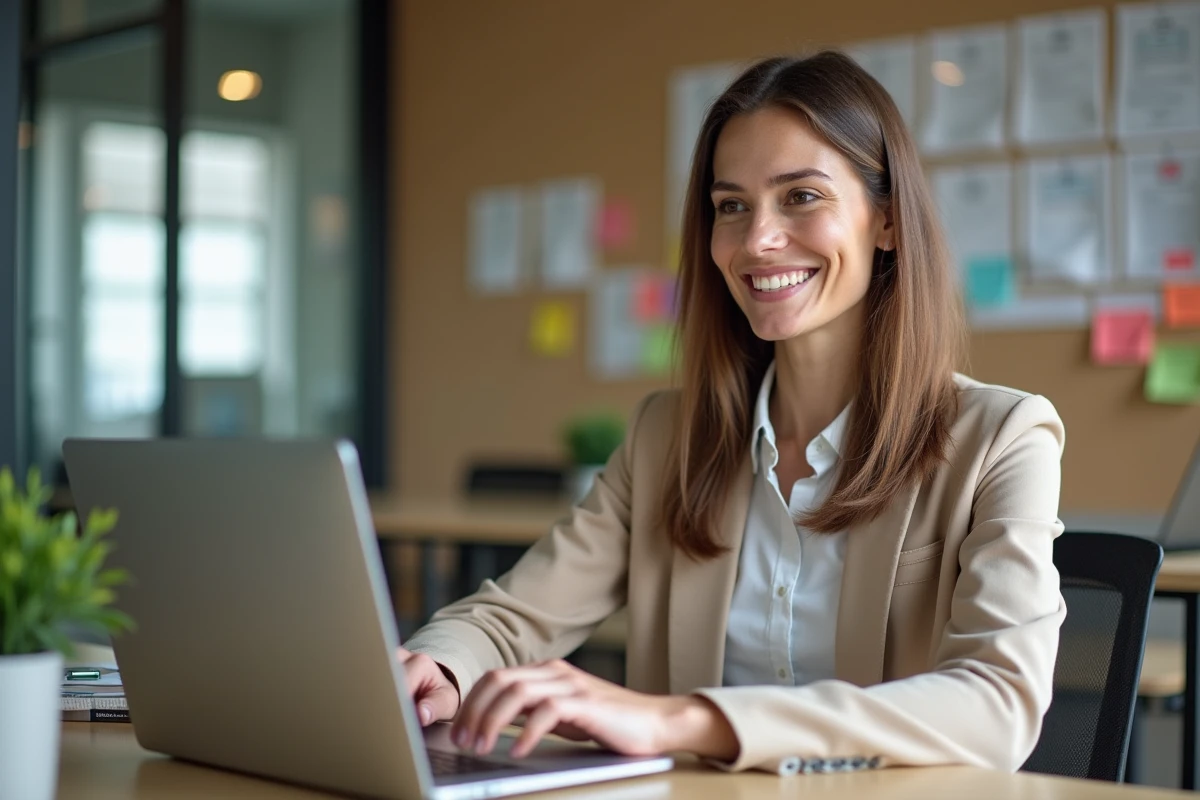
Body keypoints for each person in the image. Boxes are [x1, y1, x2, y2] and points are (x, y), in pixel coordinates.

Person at [397, 51, 1066, 775]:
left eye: (801, 196)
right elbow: (514, 618)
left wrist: (681, 718)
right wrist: (441, 668)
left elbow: (999, 704)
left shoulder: (1003, 438)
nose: (756, 241)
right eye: (731, 206)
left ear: (888, 223)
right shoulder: (666, 438)